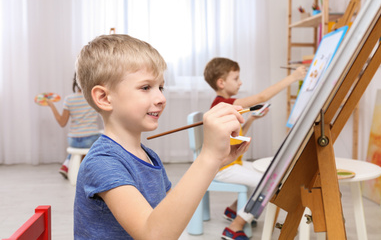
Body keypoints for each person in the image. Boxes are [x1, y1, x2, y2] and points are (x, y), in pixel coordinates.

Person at [73, 34, 251, 239]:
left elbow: (170, 218)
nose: (161, 98)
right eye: (146, 87)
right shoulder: (102, 162)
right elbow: (154, 235)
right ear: (104, 98)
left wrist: (215, 161)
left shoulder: (148, 156)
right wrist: (208, 156)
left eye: (161, 87)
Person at [204, 57, 307, 240]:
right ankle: (235, 227)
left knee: (270, 173)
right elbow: (261, 98)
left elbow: (234, 136)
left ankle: (233, 210)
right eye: (236, 78)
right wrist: (293, 78)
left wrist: (251, 119)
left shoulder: (223, 105)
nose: (240, 82)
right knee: (271, 184)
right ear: (221, 82)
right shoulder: (224, 104)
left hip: (231, 164)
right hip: (224, 168)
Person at [45, 73, 100, 179]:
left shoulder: (69, 99)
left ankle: (67, 165)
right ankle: (85, 171)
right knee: (100, 137)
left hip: (73, 140)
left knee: (79, 149)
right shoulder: (93, 98)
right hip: (90, 138)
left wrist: (52, 106)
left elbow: (62, 122)